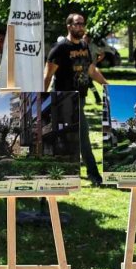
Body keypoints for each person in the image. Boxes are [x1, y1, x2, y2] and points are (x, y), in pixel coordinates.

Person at [44, 12, 107, 185]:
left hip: (80, 98)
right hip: (64, 98)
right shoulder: (60, 48)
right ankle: (94, 176)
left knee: (64, 135)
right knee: (83, 135)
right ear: (69, 26)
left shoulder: (85, 47)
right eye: (77, 24)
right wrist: (42, 94)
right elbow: (48, 75)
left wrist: (107, 85)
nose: (80, 27)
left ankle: (56, 171)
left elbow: (91, 71)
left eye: (82, 24)